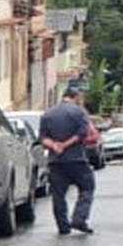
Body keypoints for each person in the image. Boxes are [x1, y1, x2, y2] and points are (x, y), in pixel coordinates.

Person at [39, 88, 96, 235]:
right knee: (87, 188)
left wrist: (54, 145)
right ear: (75, 97)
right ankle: (79, 218)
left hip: (56, 161)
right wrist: (65, 144)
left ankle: (63, 226)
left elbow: (43, 138)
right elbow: (82, 133)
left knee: (58, 194)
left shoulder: (48, 114)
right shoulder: (79, 112)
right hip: (76, 158)